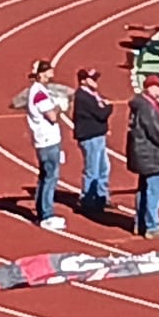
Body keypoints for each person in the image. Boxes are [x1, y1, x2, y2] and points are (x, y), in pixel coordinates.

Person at [127, 74, 159, 238]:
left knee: (144, 189)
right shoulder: (148, 107)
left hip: (141, 153)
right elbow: (154, 130)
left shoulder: (140, 104)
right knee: (154, 190)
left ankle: (140, 223)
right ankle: (152, 226)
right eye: (158, 87)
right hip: (150, 154)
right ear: (150, 87)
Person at [25, 60, 66, 232]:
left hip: (44, 140)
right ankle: (46, 214)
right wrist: (59, 107)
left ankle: (42, 211)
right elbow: (52, 116)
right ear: (41, 73)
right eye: (49, 70)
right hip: (47, 141)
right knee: (50, 177)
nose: (52, 73)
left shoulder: (38, 91)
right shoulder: (39, 93)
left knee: (45, 177)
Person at [70, 67, 112, 217]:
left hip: (98, 136)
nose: (95, 82)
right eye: (92, 79)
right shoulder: (83, 97)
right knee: (92, 170)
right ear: (83, 81)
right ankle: (87, 199)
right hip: (90, 137)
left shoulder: (93, 95)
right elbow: (101, 113)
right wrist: (108, 107)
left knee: (104, 168)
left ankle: (102, 196)